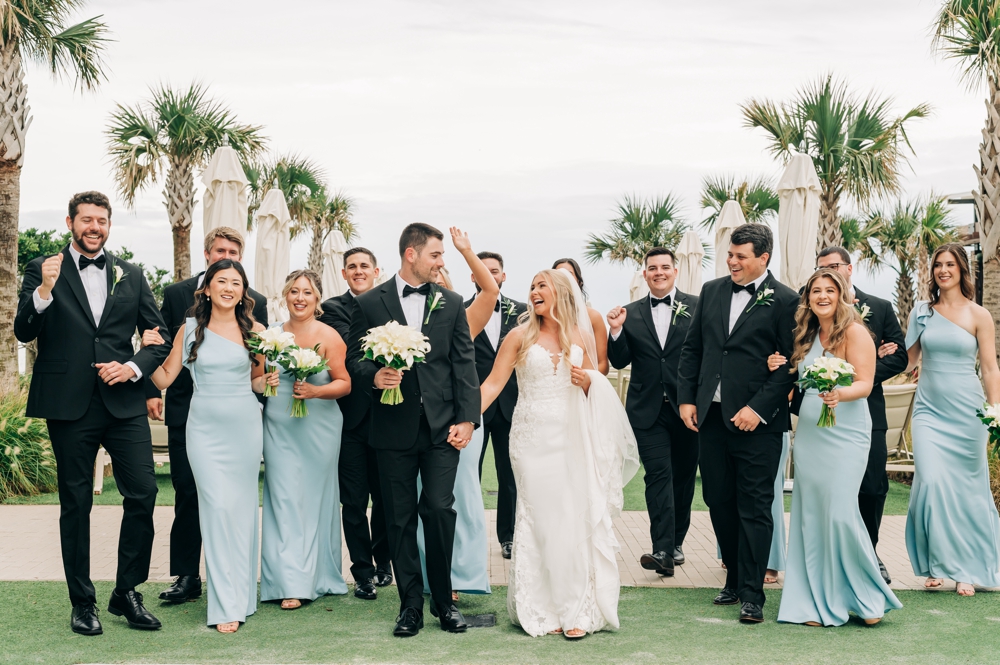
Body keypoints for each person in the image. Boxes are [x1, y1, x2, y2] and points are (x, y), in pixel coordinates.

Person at [14, 191, 171, 636]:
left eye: (101, 220)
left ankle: (126, 592)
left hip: (123, 404)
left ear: (108, 225)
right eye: (86, 220)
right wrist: (44, 291)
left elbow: (157, 337)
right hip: (69, 404)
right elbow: (24, 329)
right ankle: (82, 603)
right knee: (76, 504)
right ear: (70, 223)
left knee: (143, 493)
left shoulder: (132, 275)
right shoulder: (43, 269)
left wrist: (134, 367)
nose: (94, 227)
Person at [481, 268, 637, 638]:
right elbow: (491, 384)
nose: (534, 291)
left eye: (541, 286)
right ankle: (541, 608)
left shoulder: (580, 335)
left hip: (571, 437)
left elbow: (592, 387)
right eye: (531, 285)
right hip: (531, 439)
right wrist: (464, 420)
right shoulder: (518, 336)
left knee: (571, 517)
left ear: (561, 293)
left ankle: (577, 610)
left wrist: (589, 382)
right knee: (538, 519)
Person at [346, 223, 480, 637]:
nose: (442, 262)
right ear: (412, 255)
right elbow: (354, 359)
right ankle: (409, 607)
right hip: (391, 429)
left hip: (443, 431)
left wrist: (468, 419)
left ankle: (443, 602)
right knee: (399, 519)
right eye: (437, 255)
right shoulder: (370, 302)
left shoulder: (452, 302)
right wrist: (375, 375)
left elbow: (464, 365)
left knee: (439, 510)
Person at [676, 223, 798, 624]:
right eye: (730, 254)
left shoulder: (786, 300)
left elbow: (790, 365)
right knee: (718, 500)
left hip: (759, 426)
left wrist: (758, 408)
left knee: (755, 507)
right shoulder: (711, 291)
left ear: (763, 258)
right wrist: (687, 399)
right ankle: (733, 576)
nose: (732, 262)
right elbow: (694, 349)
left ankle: (753, 594)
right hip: (710, 419)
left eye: (741, 256)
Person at [147, 259, 274, 633]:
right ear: (206, 288)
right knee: (216, 509)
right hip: (202, 430)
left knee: (241, 510)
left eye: (237, 282)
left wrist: (274, 378)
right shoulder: (188, 330)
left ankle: (240, 596)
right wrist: (146, 350)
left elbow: (256, 382)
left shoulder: (257, 330)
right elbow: (165, 377)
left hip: (245, 428)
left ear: (243, 291)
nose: (229, 288)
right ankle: (224, 604)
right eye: (222, 281)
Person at [773, 269, 901, 626]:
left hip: (846, 431)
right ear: (808, 298)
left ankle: (865, 596)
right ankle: (815, 599)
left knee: (841, 512)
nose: (823, 296)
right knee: (812, 514)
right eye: (816, 291)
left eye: (830, 290)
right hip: (812, 432)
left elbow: (865, 383)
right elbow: (797, 380)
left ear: (842, 294)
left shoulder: (857, 332)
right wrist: (778, 365)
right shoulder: (806, 334)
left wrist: (837, 393)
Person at [903, 244, 1000, 595]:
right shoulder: (921, 312)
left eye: (950, 264)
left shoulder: (979, 315)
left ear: (962, 270)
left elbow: (989, 368)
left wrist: (995, 411)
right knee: (929, 482)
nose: (943, 270)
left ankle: (966, 568)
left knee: (970, 490)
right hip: (929, 411)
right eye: (938, 265)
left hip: (969, 413)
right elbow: (909, 360)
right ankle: (936, 561)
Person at [417, 228, 502, 599]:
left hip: (461, 421)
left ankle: (461, 573)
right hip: (420, 424)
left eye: (441, 277)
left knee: (460, 496)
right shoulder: (405, 324)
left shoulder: (464, 319)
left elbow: (490, 291)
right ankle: (430, 574)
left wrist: (466, 251)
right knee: (427, 499)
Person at [261, 270, 352, 609]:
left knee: (314, 500)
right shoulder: (271, 335)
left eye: (307, 293)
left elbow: (344, 383)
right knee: (283, 499)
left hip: (320, 425)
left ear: (317, 299)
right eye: (294, 291)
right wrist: (266, 380)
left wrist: (315, 390)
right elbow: (256, 379)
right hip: (279, 424)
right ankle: (288, 580)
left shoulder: (329, 336)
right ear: (285, 295)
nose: (300, 298)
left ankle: (318, 577)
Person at [607, 247, 699, 576]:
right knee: (658, 475)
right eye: (652, 268)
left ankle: (676, 541)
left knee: (684, 477)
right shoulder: (629, 313)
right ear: (644, 274)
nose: (658, 272)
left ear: (675, 271)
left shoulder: (698, 308)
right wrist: (616, 331)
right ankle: (661, 549)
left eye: (664, 267)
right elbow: (618, 361)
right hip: (647, 411)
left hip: (689, 409)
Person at [319, 247, 393, 599]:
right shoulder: (333, 308)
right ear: (344, 273)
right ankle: (362, 572)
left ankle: (384, 562)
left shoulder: (391, 302)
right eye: (352, 267)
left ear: (376, 271)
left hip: (388, 414)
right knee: (353, 501)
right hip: (350, 419)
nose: (359, 271)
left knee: (384, 498)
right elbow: (352, 348)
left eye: (365, 266)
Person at [468, 250, 526, 559]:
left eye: (495, 271)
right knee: (468, 475)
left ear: (503, 276)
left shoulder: (524, 312)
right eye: (483, 270)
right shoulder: (458, 311)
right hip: (472, 406)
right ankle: (470, 535)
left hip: (512, 404)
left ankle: (509, 536)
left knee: (509, 475)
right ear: (473, 275)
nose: (489, 275)